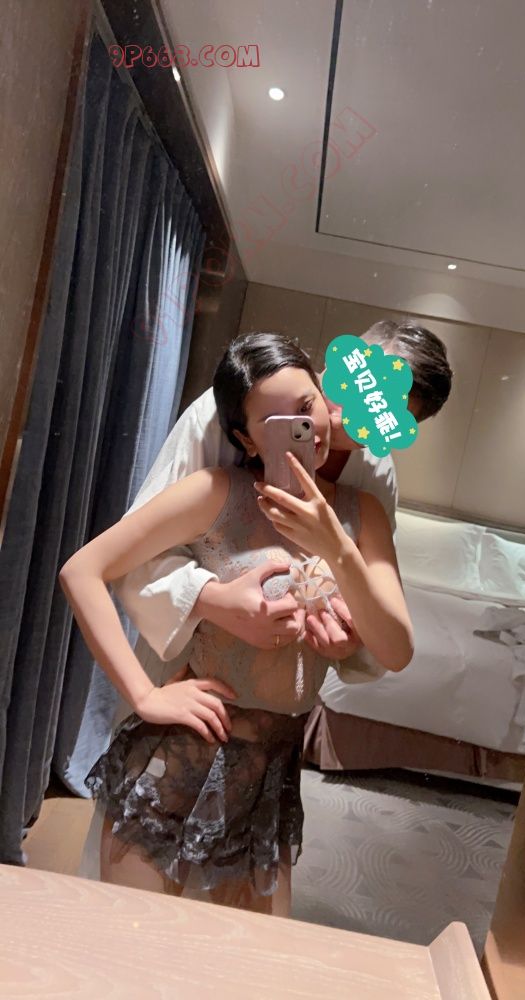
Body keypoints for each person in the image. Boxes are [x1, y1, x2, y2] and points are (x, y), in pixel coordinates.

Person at [60, 332, 414, 916]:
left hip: (272, 778)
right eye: (278, 423)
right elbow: (82, 570)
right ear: (247, 438)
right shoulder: (217, 493)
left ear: (324, 395)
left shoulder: (364, 513)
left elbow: (397, 650)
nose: (306, 429)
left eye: (307, 406)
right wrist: (144, 694)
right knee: (132, 945)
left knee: (243, 958)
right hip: (178, 762)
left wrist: (336, 547)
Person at [110, 319, 452, 687]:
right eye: (356, 390)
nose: (344, 420)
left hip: (287, 691)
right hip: (191, 675)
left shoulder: (374, 481)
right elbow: (130, 554)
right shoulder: (233, 412)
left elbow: (381, 615)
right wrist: (212, 600)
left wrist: (351, 640)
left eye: (378, 415)